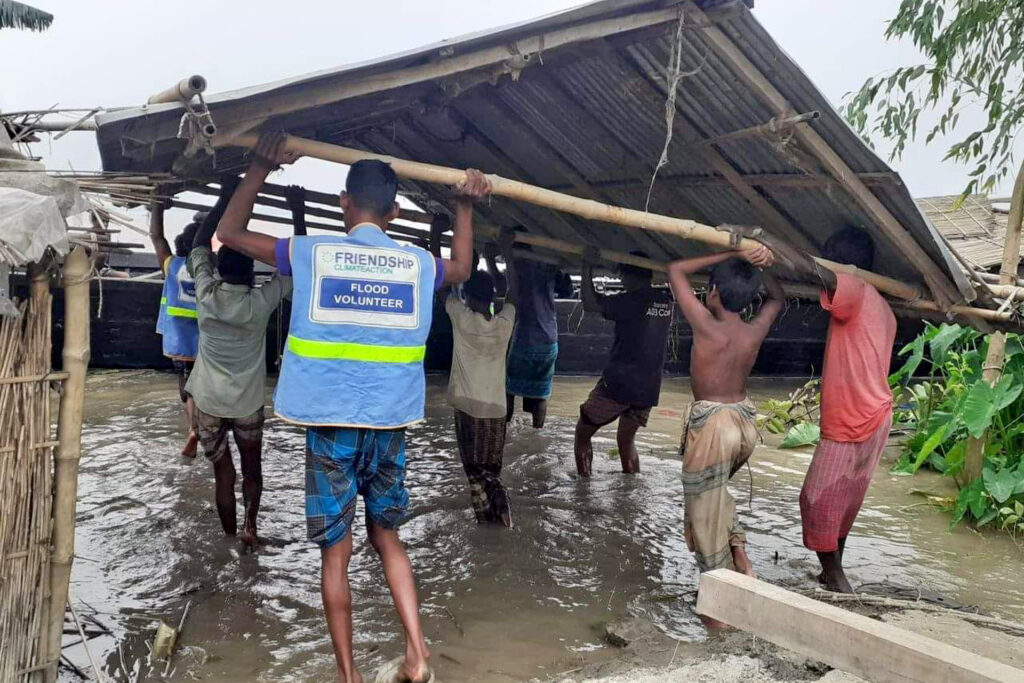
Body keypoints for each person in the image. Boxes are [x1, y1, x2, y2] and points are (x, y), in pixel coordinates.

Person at [216, 131, 490, 683]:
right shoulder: (416, 264)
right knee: (388, 537)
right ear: (393, 210)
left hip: (330, 428)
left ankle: (350, 676)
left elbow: (230, 233)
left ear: (344, 202)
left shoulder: (310, 253)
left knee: (335, 556)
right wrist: (464, 203)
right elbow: (461, 265)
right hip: (389, 426)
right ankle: (417, 654)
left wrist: (258, 169)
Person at [666, 244, 782, 608]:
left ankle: (719, 605)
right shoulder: (753, 329)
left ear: (713, 291)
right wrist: (761, 266)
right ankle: (740, 557)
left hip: (714, 426)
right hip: (744, 422)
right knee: (717, 497)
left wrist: (728, 253)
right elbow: (777, 298)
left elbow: (675, 268)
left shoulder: (706, 324)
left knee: (704, 514)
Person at [787, 227, 896, 594]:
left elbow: (814, 272)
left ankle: (837, 579)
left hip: (852, 415)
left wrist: (764, 240)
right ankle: (832, 571)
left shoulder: (855, 290)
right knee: (845, 498)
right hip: (877, 410)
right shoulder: (882, 304)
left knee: (815, 498)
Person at [185, 178, 291, 548]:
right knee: (252, 469)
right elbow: (296, 265)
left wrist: (223, 198)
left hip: (210, 403)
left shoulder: (206, 294)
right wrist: (297, 211)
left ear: (219, 269)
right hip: (246, 404)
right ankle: (250, 528)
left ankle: (228, 540)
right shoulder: (259, 304)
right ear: (251, 274)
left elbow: (198, 244)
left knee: (223, 475)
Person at [574, 250, 674, 477]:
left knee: (582, 432)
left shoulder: (630, 300)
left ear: (630, 276)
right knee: (626, 441)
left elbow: (590, 304)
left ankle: (583, 491)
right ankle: (630, 491)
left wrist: (586, 267)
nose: (620, 280)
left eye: (622, 275)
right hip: (647, 388)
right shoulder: (665, 301)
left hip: (619, 384)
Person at [445, 229, 518, 526]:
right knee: (490, 473)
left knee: (475, 474)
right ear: (491, 297)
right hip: (496, 412)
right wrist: (506, 252)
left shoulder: (461, 319)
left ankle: (493, 520)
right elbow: (514, 292)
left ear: (469, 296)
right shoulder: (504, 323)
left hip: (469, 410)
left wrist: (439, 236)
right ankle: (498, 521)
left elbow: (445, 285)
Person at [503, 233, 573, 428]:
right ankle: (538, 432)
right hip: (549, 338)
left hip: (525, 337)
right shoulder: (547, 266)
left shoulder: (520, 267)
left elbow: (507, 289)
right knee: (541, 392)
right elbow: (568, 289)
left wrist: (502, 253)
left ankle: (504, 427)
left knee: (509, 388)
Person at [150, 199, 203, 457]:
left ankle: (192, 428)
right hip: (206, 341)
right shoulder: (210, 269)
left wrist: (157, 207)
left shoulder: (172, 266)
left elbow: (157, 237)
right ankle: (203, 427)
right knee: (202, 385)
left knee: (185, 388)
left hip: (178, 342)